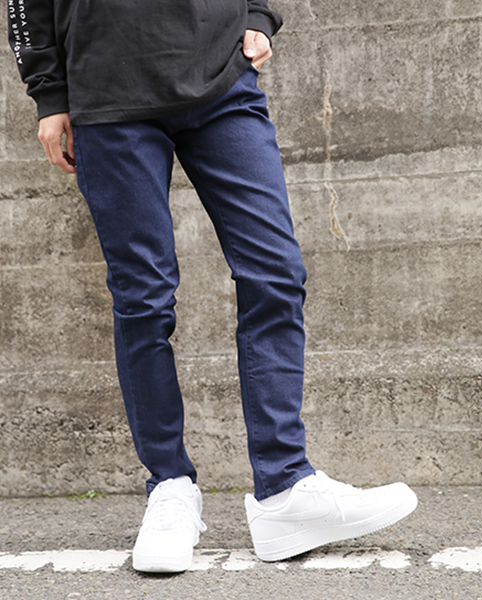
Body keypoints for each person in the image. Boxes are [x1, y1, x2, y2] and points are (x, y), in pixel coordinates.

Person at [8, 0, 417, 573]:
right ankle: (170, 487)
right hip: (107, 89)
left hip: (222, 78)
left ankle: (284, 488)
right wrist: (49, 94)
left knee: (275, 272)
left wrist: (257, 13)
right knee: (143, 298)